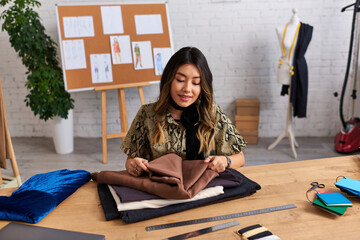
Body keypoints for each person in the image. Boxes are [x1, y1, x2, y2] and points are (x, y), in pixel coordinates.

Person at [121, 47, 246, 177]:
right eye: (180, 80)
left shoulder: (212, 113)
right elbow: (130, 160)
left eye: (196, 82)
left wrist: (226, 161)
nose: (187, 89)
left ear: (202, 86)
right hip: (161, 189)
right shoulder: (147, 114)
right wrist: (133, 165)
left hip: (205, 189)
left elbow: (240, 158)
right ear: (168, 80)